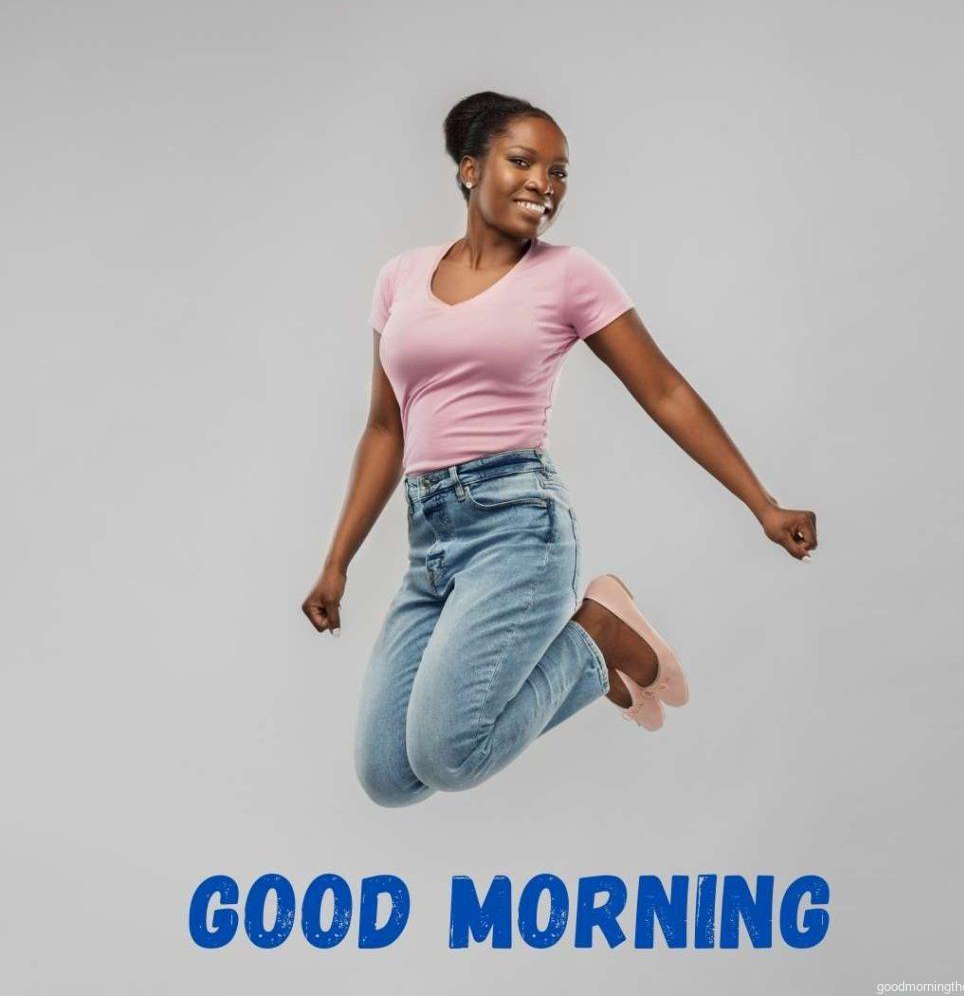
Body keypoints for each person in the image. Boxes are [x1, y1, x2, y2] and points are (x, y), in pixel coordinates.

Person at [302, 90, 818, 807]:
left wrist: (762, 503)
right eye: (523, 162)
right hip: (433, 545)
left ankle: (594, 635)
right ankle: (593, 642)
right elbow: (385, 429)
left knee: (448, 760)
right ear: (470, 169)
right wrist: (337, 563)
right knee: (389, 777)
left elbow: (663, 389)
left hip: (519, 529)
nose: (545, 184)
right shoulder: (400, 278)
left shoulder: (569, 276)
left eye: (560, 172)